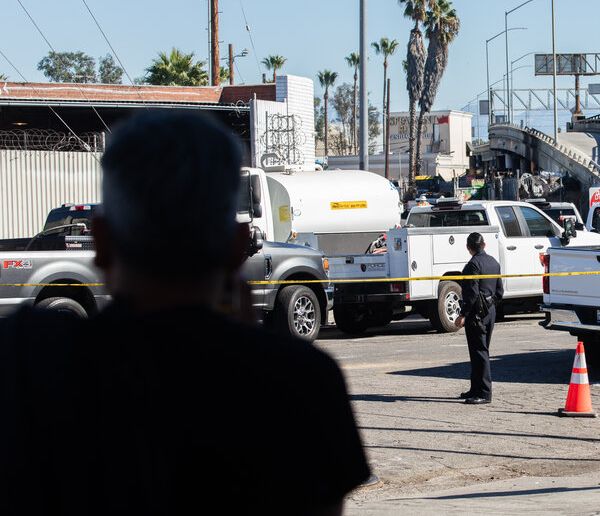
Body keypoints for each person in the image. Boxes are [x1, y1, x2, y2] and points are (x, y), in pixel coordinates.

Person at [0, 110, 371, 515]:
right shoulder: (302, 382)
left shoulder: (26, 361)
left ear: (102, 243)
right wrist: (252, 350)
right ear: (237, 246)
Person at [454, 232, 504, 405]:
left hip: (476, 314)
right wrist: (489, 306)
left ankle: (484, 392)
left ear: (468, 248)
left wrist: (463, 314)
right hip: (490, 312)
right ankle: (475, 388)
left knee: (479, 353)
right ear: (484, 245)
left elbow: (472, 294)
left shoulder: (472, 266)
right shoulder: (494, 263)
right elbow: (500, 292)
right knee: (480, 351)